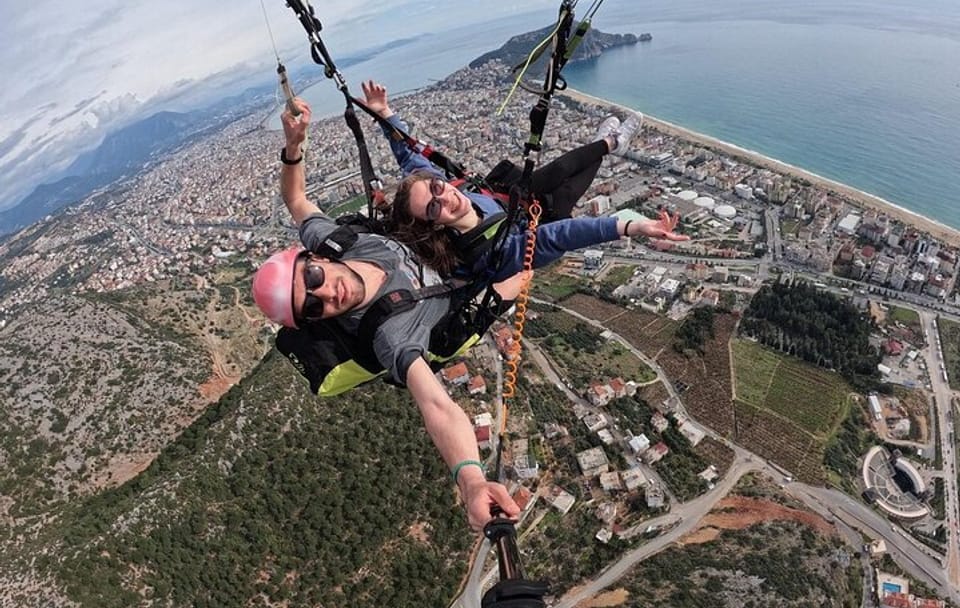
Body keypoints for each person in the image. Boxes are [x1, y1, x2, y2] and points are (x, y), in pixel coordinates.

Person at [252, 98, 522, 532]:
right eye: (314, 307)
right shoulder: (389, 336)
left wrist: (293, 144)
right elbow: (436, 405)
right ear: (316, 321)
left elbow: (296, 198)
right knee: (531, 257)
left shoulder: (339, 240)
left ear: (314, 256)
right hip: (472, 293)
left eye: (315, 276)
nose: (327, 292)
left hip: (444, 248)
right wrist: (471, 481)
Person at [361, 80, 689, 280]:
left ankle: (610, 143)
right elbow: (557, 237)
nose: (443, 198)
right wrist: (630, 226)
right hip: (537, 225)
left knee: (558, 171)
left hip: (510, 197)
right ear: (434, 225)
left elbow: (408, 155)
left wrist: (384, 113)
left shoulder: (439, 185)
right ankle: (610, 144)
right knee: (568, 189)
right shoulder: (486, 252)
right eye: (433, 209)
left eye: (436, 188)